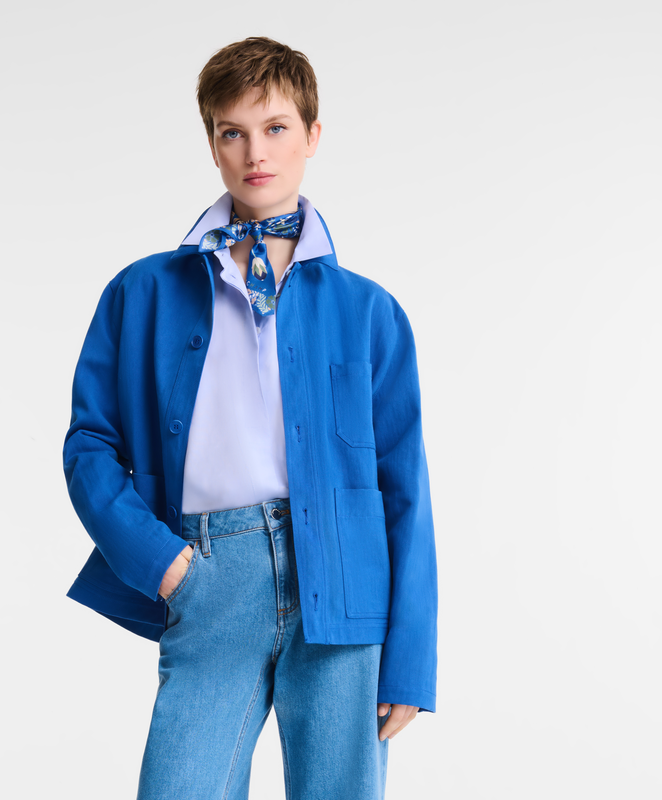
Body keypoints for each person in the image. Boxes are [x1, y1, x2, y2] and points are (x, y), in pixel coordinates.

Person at [63, 36, 438, 800]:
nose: (255, 152)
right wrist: (165, 564)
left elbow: (405, 488)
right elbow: (90, 445)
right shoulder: (144, 292)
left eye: (275, 128)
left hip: (345, 586)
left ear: (312, 136)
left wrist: (410, 658)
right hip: (209, 576)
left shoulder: (370, 312)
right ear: (212, 144)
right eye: (232, 132)